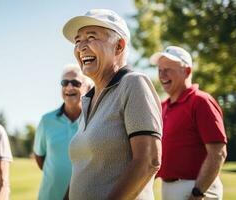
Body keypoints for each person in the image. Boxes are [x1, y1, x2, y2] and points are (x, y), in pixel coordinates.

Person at [62, 9, 162, 200]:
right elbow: (82, 171)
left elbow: (149, 160)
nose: (81, 46)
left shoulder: (133, 83)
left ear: (119, 46)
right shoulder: (88, 98)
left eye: (91, 37)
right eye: (77, 40)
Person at [150, 46, 228, 200]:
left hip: (197, 189)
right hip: (169, 188)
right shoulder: (162, 106)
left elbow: (218, 153)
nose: (162, 75)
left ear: (187, 71)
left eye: (168, 69)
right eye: (160, 70)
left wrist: (198, 192)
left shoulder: (201, 101)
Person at [33, 64, 93, 200]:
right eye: (64, 83)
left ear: (86, 88)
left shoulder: (94, 120)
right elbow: (39, 156)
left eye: (76, 83)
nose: (69, 87)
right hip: (49, 196)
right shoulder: (46, 121)